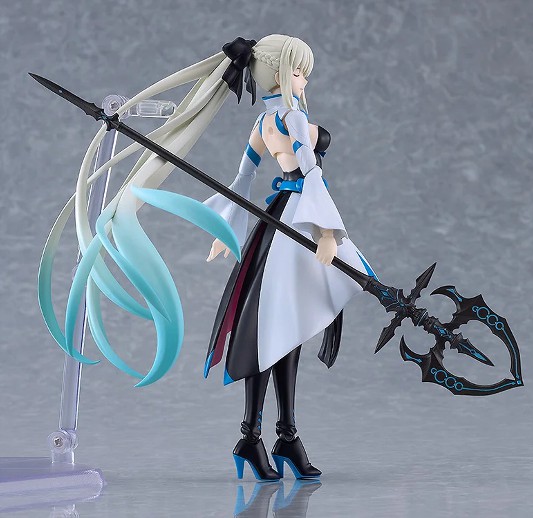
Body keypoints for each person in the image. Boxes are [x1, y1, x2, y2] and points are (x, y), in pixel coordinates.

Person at [38, 34, 376, 481]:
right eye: (299, 71)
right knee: (272, 331)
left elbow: (244, 178)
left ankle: (284, 436)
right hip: (298, 221)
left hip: (284, 222)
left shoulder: (264, 122)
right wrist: (328, 233)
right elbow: (306, 172)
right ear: (279, 73)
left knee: (284, 330)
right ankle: (255, 436)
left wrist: (228, 228)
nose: (304, 80)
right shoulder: (292, 119)